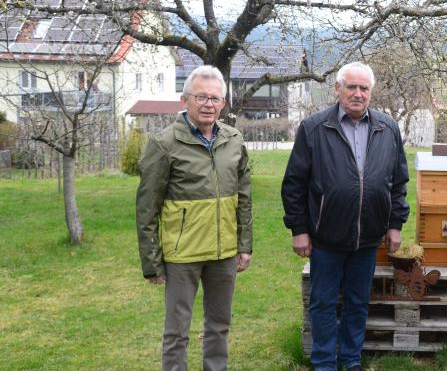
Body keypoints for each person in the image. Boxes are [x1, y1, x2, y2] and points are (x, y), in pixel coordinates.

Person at [281, 62, 410, 371]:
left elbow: (398, 181)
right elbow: (294, 183)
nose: (357, 94)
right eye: (351, 87)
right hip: (326, 236)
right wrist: (299, 229)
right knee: (323, 302)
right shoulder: (314, 128)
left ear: (371, 93)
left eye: (364, 88)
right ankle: (325, 362)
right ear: (337, 89)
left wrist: (394, 225)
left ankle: (351, 360)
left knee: (357, 302)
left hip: (368, 238)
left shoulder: (387, 127)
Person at [136, 65, 252, 371]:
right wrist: (151, 261)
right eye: (201, 97)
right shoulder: (164, 144)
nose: (208, 104)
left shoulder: (234, 140)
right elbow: (147, 206)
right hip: (181, 255)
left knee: (219, 325)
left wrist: (244, 245)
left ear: (223, 103)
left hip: (223, 252)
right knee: (177, 332)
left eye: (215, 98)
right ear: (184, 99)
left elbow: (244, 197)